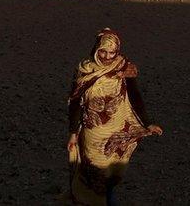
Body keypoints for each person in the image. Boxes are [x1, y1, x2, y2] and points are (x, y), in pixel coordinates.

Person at [67, 28, 162, 205]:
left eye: (112, 52)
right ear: (96, 48)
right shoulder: (84, 70)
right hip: (92, 133)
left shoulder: (124, 68)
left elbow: (135, 96)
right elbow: (75, 103)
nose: (107, 56)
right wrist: (73, 132)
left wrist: (147, 123)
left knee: (110, 174)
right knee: (94, 173)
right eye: (103, 51)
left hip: (115, 131)